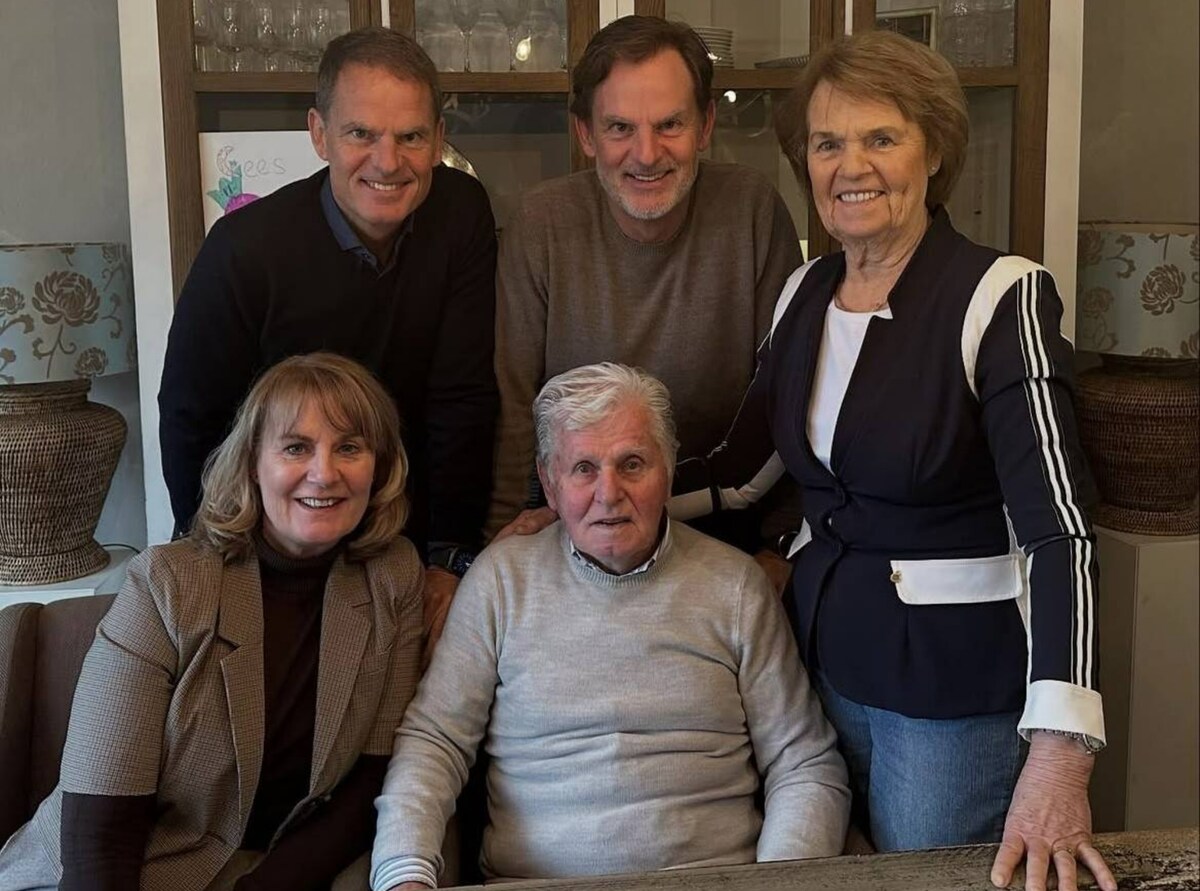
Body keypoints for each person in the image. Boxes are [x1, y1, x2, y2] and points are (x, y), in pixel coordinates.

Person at [671, 30, 1114, 891]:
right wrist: (602, 499)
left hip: (952, 694)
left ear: (935, 149)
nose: (851, 166)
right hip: (820, 661)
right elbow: (744, 470)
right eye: (827, 143)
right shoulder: (804, 290)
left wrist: (1063, 752)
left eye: (881, 137)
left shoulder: (1001, 294)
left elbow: (1059, 530)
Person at [369, 362, 850, 890]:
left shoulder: (735, 586)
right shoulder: (500, 581)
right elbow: (434, 743)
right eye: (583, 468)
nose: (608, 492)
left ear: (668, 470)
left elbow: (804, 763)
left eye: (632, 464)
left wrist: (776, 883)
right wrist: (405, 871)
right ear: (550, 485)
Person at [0, 353, 424, 891]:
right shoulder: (167, 584)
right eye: (296, 447)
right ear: (252, 464)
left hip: (257, 869)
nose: (325, 473)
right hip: (113, 868)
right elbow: (99, 831)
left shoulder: (393, 577)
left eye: (349, 448)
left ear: (379, 467)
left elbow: (371, 779)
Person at [159, 27, 497, 628]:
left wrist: (450, 554)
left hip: (407, 535)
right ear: (319, 135)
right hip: (271, 537)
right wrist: (214, 558)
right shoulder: (244, 249)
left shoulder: (461, 213)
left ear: (439, 138)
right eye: (361, 134)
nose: (387, 162)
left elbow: (462, 395)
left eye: (411, 136)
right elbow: (192, 416)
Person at [489, 16, 803, 560]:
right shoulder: (542, 224)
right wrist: (504, 545)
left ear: (705, 125)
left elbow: (789, 398)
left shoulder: (752, 211)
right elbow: (514, 404)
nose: (647, 153)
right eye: (619, 128)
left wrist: (779, 546)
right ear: (585, 134)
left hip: (725, 529)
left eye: (670, 124)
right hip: (579, 530)